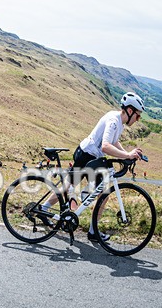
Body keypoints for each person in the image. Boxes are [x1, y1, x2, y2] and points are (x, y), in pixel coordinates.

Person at [41, 92, 145, 242]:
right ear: (130, 111)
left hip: (88, 155)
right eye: (138, 115)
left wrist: (126, 153)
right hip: (86, 155)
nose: (138, 119)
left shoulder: (119, 121)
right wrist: (127, 155)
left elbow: (114, 142)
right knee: (100, 192)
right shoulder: (114, 121)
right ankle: (92, 230)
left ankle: (46, 209)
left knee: (72, 187)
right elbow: (106, 146)